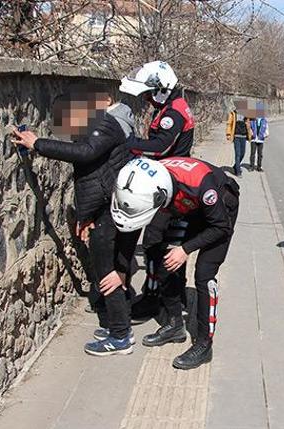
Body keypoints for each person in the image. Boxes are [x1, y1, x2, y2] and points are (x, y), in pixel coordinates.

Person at [12, 86, 136, 356]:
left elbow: (85, 154)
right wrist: (86, 216)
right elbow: (94, 173)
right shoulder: (105, 123)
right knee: (112, 266)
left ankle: (120, 336)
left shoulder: (105, 124)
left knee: (107, 271)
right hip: (107, 206)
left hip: (110, 209)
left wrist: (38, 144)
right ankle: (120, 323)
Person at [110, 156, 239, 369]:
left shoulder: (202, 187)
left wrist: (186, 249)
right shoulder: (149, 182)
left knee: (204, 275)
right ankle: (175, 324)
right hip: (186, 203)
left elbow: (221, 227)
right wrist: (122, 269)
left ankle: (205, 344)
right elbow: (133, 230)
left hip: (220, 210)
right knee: (160, 254)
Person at [118, 60, 196, 325]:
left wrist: (130, 144)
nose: (149, 100)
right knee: (170, 242)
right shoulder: (172, 106)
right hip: (171, 182)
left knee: (155, 243)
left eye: (150, 94)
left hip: (169, 187)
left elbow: (160, 147)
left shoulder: (173, 113)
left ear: (162, 89)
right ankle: (171, 295)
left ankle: (156, 299)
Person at [226, 108, 252, 176]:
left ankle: (235, 166)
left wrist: (249, 134)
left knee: (242, 154)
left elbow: (249, 124)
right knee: (238, 154)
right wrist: (228, 134)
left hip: (243, 137)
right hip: (236, 136)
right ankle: (238, 172)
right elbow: (229, 124)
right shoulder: (233, 114)